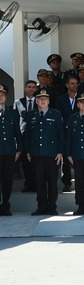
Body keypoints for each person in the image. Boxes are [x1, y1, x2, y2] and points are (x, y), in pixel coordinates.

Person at [23, 88, 64, 215]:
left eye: (45, 99)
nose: (42, 101)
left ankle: (52, 207)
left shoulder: (55, 114)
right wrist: (28, 151)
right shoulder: (31, 115)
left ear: (49, 101)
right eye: (40, 99)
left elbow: (61, 134)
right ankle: (41, 207)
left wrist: (60, 152)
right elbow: (27, 135)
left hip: (52, 154)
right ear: (36, 101)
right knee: (39, 182)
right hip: (36, 154)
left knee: (52, 182)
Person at [0, 85, 23, 216]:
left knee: (7, 180)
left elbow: (17, 133)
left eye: (2, 94)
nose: (0, 96)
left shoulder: (12, 113)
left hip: (9, 152)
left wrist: (19, 149)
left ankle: (5, 205)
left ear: (6, 97)